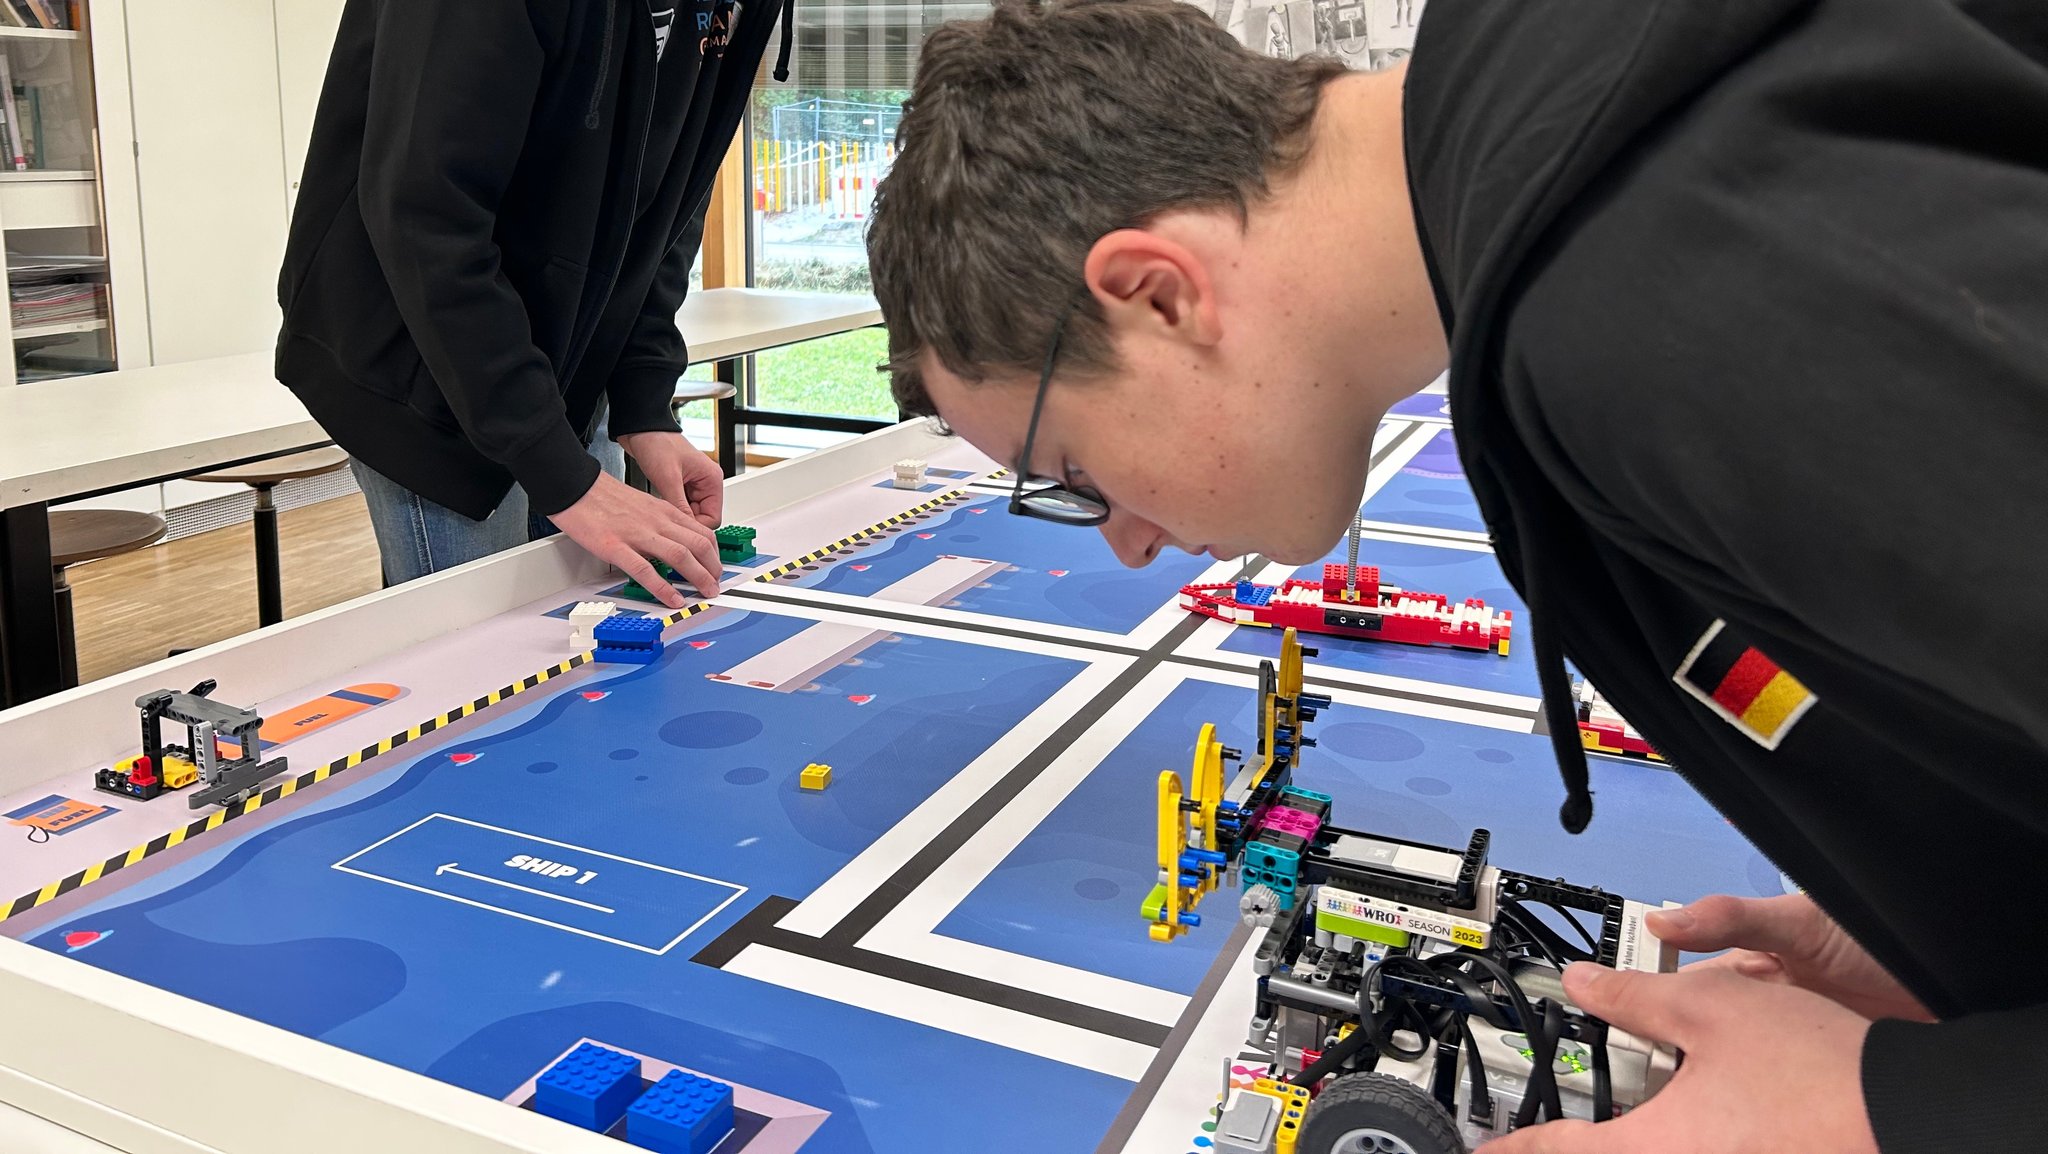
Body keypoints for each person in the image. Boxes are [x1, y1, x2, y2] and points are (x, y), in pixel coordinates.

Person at [862, 1, 2048, 1151]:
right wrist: (1976, 916)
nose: (1121, 540)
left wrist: (1906, 1111)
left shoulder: (1643, 297)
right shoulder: (1592, 162)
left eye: (1071, 470)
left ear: (1158, 292)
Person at [276, 0, 797, 608]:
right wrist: (563, 475)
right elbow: (427, 221)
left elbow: (669, 203)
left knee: (581, 642)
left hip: (567, 365)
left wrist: (642, 401)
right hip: (428, 369)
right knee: (480, 671)